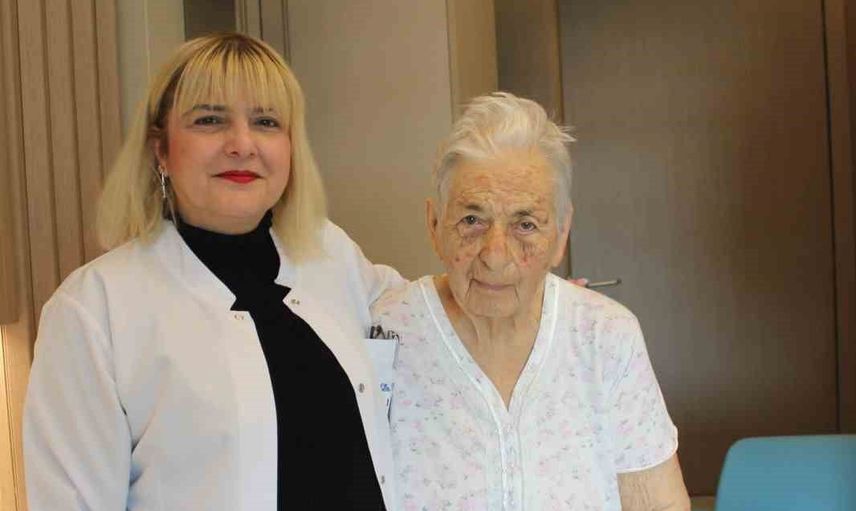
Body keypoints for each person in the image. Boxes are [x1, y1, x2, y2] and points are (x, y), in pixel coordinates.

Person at [24, 33, 405, 510]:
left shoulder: (330, 254)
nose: (242, 144)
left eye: (266, 122)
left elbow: (435, 316)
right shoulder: (94, 309)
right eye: (210, 120)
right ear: (161, 149)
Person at [371, 92, 691, 510]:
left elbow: (659, 504)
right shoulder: (383, 335)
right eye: (472, 220)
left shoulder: (605, 337)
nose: (495, 255)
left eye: (525, 224)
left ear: (560, 234)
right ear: (435, 225)